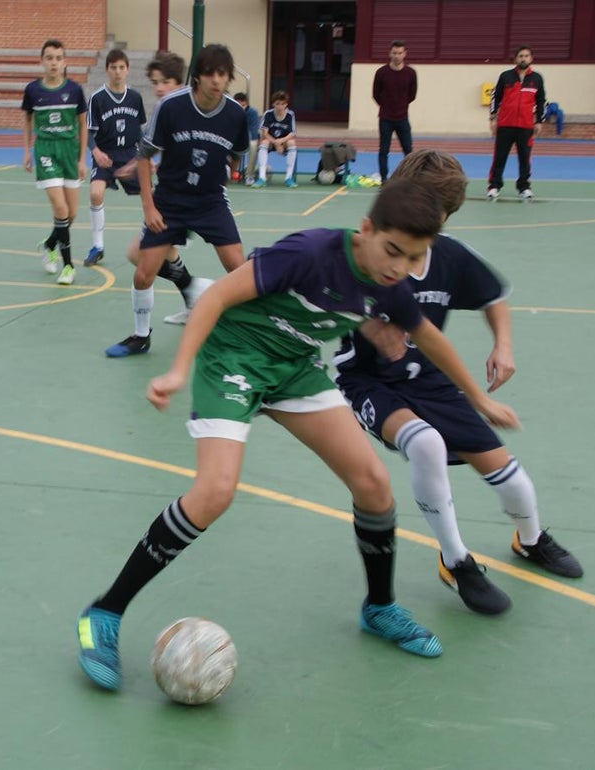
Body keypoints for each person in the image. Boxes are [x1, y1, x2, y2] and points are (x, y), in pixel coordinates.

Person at [77, 180, 522, 690]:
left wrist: (480, 399)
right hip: (234, 359)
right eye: (393, 250)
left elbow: (431, 339)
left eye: (413, 258)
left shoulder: (390, 284)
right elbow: (218, 295)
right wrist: (179, 370)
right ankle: (104, 613)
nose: (398, 266)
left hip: (294, 369)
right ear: (368, 229)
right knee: (215, 491)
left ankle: (379, 607)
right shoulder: (312, 251)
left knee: (374, 485)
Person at [333, 150, 582, 615]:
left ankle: (529, 539)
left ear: (445, 217)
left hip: (428, 377)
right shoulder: (373, 250)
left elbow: (495, 295)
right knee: (425, 445)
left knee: (513, 480)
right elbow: (329, 290)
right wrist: (365, 323)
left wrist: (502, 347)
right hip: (366, 380)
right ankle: (456, 561)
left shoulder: (449, 257)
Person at [105, 44, 248, 358]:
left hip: (210, 200)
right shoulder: (171, 106)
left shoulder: (235, 114)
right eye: (209, 73)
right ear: (197, 76)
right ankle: (141, 337)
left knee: (239, 267)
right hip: (170, 200)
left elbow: (237, 156)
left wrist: (226, 172)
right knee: (143, 272)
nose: (215, 80)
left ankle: (249, 333)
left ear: (228, 78)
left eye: (222, 74)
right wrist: (149, 206)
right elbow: (144, 156)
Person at [117, 50, 212, 327]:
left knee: (136, 254)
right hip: (171, 197)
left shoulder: (186, 110)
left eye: (165, 81)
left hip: (184, 200)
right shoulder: (168, 109)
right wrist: (141, 164)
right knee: (167, 254)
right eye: (155, 82)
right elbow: (158, 148)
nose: (159, 87)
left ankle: (198, 290)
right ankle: (193, 297)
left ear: (180, 82)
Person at [22, 39, 88, 286]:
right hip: (46, 151)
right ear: (42, 61)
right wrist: (27, 151)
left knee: (71, 215)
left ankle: (50, 243)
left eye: (58, 58)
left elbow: (82, 124)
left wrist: (82, 159)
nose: (54, 62)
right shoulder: (33, 90)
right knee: (60, 210)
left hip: (69, 152)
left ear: (64, 62)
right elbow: (27, 120)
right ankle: (69, 265)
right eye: (49, 58)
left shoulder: (74, 90)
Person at [84, 49, 146, 267]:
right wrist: (96, 152)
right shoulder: (97, 99)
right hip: (106, 155)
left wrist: (142, 157)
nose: (118, 72)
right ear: (107, 70)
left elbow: (140, 131)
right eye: (113, 67)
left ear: (127, 70)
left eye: (122, 67)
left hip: (130, 155)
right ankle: (97, 246)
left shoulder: (135, 97)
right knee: (95, 193)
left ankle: (150, 241)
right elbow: (89, 132)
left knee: (151, 195)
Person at [487, 46, 546, 201]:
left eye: (526, 56)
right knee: (499, 157)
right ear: (516, 58)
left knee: (525, 158)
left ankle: (524, 187)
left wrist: (539, 121)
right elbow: (495, 97)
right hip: (505, 125)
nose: (523, 59)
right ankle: (494, 186)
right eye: (520, 56)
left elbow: (541, 101)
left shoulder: (537, 79)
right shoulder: (506, 76)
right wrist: (493, 118)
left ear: (531, 58)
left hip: (526, 127)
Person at [372, 40, 416, 183]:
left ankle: (409, 178)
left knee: (408, 150)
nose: (397, 56)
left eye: (400, 53)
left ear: (405, 54)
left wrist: (401, 105)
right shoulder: (381, 72)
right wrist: (386, 106)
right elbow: (376, 94)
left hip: (402, 118)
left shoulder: (410, 73)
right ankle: (384, 179)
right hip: (385, 118)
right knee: (383, 150)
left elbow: (412, 95)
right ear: (390, 54)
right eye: (394, 53)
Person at [251, 90, 298, 188]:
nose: (280, 106)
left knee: (292, 143)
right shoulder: (268, 114)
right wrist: (276, 143)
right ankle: (262, 178)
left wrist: (281, 142)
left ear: (286, 104)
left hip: (284, 141)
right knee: (263, 142)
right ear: (273, 104)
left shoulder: (290, 114)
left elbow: (292, 133)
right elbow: (265, 133)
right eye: (277, 104)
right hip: (271, 140)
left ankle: (288, 178)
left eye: (282, 104)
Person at [232, 92, 260, 184]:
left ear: (247, 104)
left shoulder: (253, 113)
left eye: (243, 105)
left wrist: (243, 138)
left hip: (248, 139)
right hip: (232, 138)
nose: (241, 108)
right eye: (238, 105)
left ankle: (249, 176)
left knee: (253, 145)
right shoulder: (230, 112)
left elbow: (254, 131)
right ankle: (226, 172)